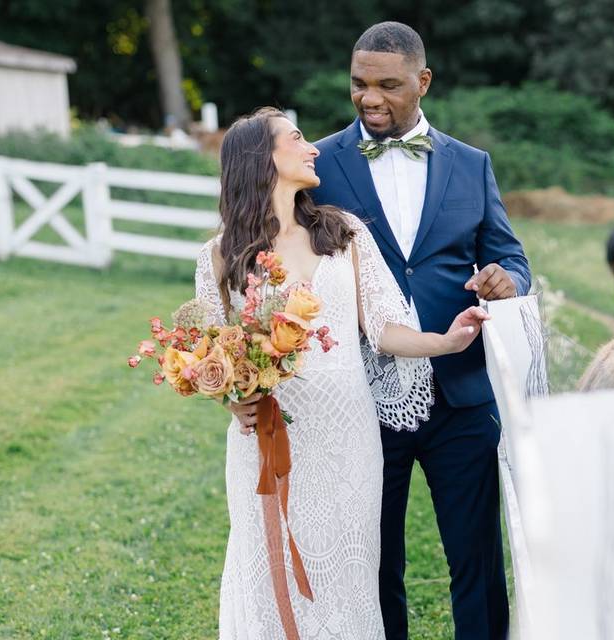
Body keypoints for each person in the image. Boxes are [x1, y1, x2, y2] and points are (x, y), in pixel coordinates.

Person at [195, 106, 490, 640]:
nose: (313, 149)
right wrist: (232, 396)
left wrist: (446, 342)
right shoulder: (219, 257)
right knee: (270, 567)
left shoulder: (341, 231)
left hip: (349, 435)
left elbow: (383, 327)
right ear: (262, 159)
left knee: (353, 576)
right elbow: (214, 353)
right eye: (298, 138)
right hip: (270, 438)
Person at [310, 22, 531, 640]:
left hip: (460, 396)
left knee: (477, 562)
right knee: (374, 565)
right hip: (360, 396)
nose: (369, 98)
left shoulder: (471, 165)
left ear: (423, 82)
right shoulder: (318, 164)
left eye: (387, 85)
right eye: (359, 84)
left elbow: (513, 258)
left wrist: (506, 279)